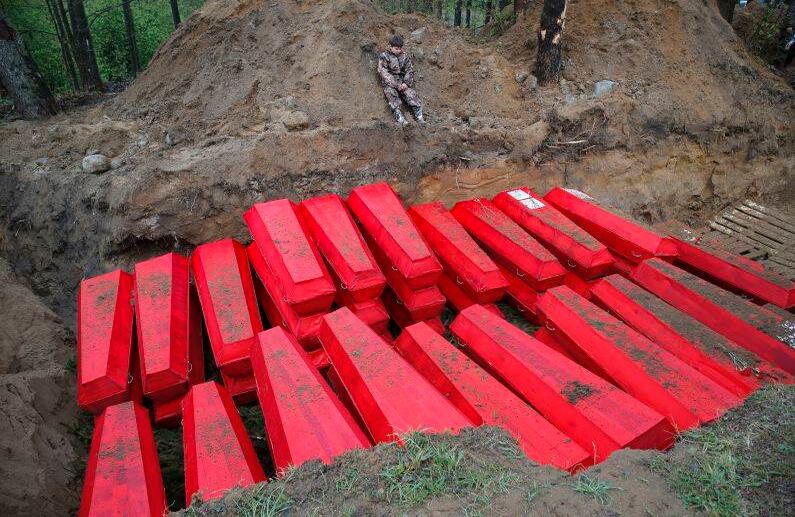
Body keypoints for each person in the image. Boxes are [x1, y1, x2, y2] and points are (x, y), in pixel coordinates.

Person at [377, 35, 425, 126]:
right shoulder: (384, 56)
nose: (398, 50)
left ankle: (419, 116)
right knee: (392, 95)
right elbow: (383, 72)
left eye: (400, 48)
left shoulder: (404, 56)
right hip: (389, 83)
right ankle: (400, 117)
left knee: (411, 94)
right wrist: (396, 85)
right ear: (390, 47)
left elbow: (409, 69)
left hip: (402, 81)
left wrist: (406, 83)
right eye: (396, 48)